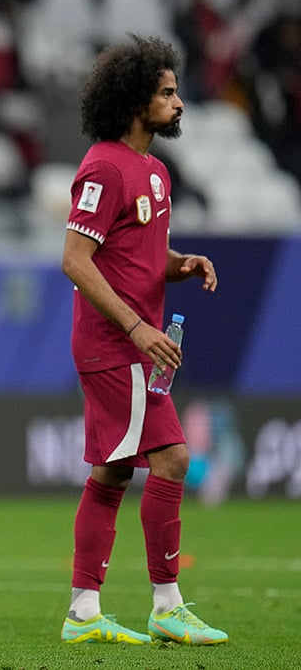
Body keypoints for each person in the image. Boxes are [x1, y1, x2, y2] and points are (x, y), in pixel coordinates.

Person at [59, 35, 227, 646]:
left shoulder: (154, 171)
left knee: (111, 474)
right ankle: (166, 603)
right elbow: (77, 260)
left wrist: (179, 263)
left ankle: (83, 612)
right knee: (173, 459)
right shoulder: (103, 165)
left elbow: (134, 256)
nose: (179, 102)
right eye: (166, 92)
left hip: (135, 342)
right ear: (135, 99)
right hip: (117, 342)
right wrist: (136, 326)